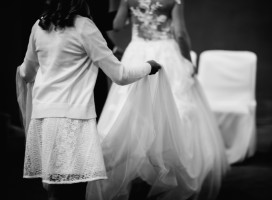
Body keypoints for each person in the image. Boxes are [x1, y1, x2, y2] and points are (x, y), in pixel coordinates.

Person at [16, 0, 161, 199]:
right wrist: (149, 67)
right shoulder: (84, 26)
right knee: (74, 191)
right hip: (73, 120)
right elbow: (120, 75)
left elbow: (26, 73)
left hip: (43, 120)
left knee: (55, 190)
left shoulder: (39, 25)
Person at [86, 0, 229, 200]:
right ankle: (169, 169)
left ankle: (132, 170)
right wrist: (188, 60)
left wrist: (125, 10)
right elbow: (179, 33)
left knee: (129, 109)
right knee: (174, 108)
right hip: (166, 53)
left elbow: (117, 25)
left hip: (137, 52)